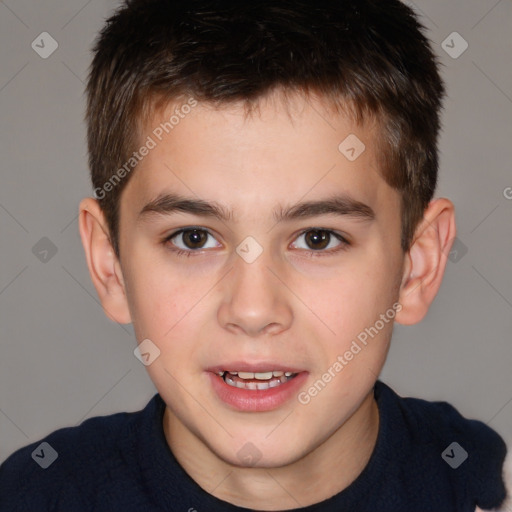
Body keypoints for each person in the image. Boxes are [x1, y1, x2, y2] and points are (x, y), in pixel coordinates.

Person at [0, 1, 509, 510]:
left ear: (416, 266)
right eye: (193, 238)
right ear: (110, 266)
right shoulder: (31, 497)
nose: (253, 309)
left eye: (318, 239)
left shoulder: (484, 486)